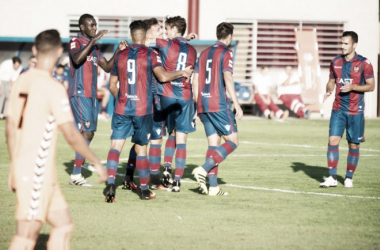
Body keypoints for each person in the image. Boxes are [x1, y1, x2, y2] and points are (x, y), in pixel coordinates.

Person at [6, 29, 106, 250]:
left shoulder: (21, 81)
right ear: (60, 52)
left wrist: (15, 166)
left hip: (41, 172)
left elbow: (10, 130)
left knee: (63, 225)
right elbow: (71, 134)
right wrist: (96, 161)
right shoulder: (53, 87)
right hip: (35, 172)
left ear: (34, 50)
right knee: (26, 235)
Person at [104, 20, 192, 202]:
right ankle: (145, 189)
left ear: (131, 35)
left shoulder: (120, 55)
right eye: (157, 30)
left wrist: (121, 98)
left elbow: (112, 84)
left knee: (116, 146)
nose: (160, 32)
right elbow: (163, 76)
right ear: (145, 35)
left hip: (122, 106)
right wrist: (182, 72)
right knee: (143, 147)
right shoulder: (151, 54)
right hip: (144, 107)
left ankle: (112, 183)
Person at [68, 13, 127, 186]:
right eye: (91, 25)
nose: (95, 28)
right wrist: (93, 41)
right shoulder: (76, 41)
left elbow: (107, 67)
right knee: (86, 132)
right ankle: (75, 175)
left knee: (89, 133)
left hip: (91, 95)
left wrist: (118, 50)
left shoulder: (94, 47)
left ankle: (79, 164)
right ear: (82, 27)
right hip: (79, 93)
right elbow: (77, 59)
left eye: (95, 25)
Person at [192, 22, 243, 196]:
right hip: (218, 104)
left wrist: (197, 105)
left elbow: (195, 80)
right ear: (229, 37)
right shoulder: (226, 52)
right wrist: (236, 104)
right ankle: (203, 169)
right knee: (233, 141)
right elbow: (227, 77)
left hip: (203, 104)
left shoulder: (204, 53)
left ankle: (213, 187)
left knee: (214, 144)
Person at [320, 31, 375, 188]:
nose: (342, 46)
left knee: (353, 145)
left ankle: (349, 177)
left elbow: (371, 86)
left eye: (346, 43)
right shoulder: (336, 61)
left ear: (354, 45)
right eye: (341, 43)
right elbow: (331, 81)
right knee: (332, 140)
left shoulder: (364, 63)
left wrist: (353, 87)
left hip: (355, 110)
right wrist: (329, 90)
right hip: (338, 108)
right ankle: (332, 178)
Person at [151, 16, 197, 192]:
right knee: (182, 138)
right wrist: (187, 40)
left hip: (167, 94)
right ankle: (177, 181)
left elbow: (145, 42)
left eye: (167, 29)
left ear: (173, 28)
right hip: (185, 96)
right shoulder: (193, 50)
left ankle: (167, 168)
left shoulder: (165, 44)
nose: (165, 32)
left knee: (169, 132)